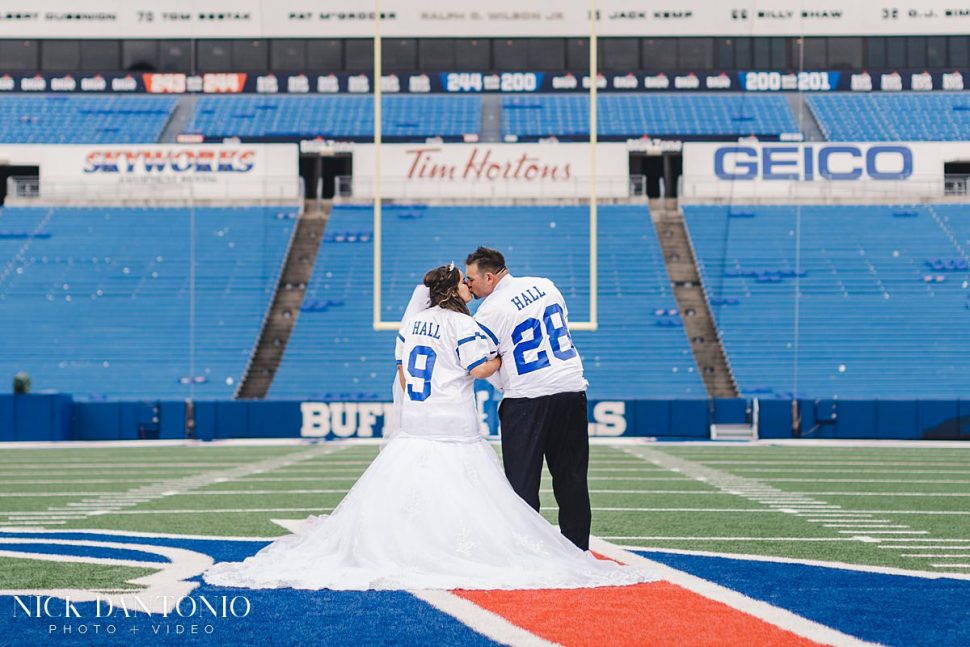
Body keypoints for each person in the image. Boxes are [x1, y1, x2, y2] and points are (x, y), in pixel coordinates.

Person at [203, 264, 650, 590]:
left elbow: (402, 373)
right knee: (481, 498)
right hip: (454, 428)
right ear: (453, 290)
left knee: (407, 502)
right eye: (463, 281)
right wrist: (498, 362)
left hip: (415, 428)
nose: (469, 286)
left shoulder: (412, 323)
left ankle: (412, 551)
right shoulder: (461, 323)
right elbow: (479, 369)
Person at [465, 247, 591, 550]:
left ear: (490, 277)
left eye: (471, 279)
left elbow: (482, 364)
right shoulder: (546, 285)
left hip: (527, 398)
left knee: (522, 486)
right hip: (570, 389)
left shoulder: (490, 310)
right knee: (572, 480)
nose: (469, 285)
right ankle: (578, 551)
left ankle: (528, 555)